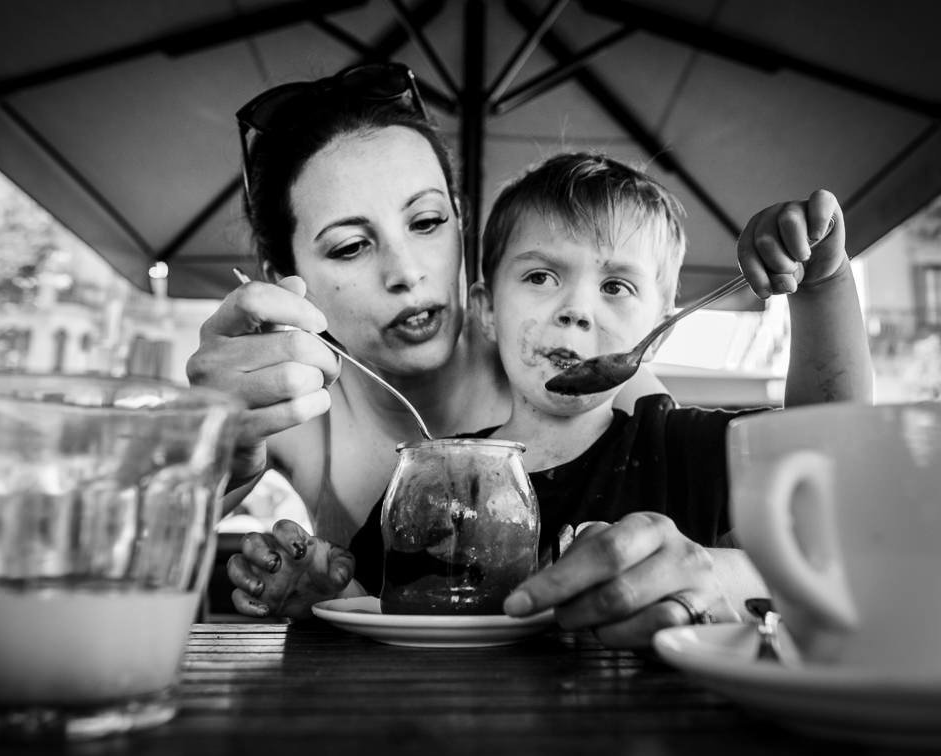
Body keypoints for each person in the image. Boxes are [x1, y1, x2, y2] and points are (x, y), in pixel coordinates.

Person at [188, 62, 872, 646]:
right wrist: (214, 446)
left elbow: (830, 473)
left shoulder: (632, 409)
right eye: (348, 246)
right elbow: (361, 599)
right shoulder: (292, 404)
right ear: (287, 277)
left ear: (460, 220)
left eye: (427, 222)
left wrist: (821, 286)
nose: (406, 272)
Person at [339, 152, 871, 620]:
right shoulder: (440, 475)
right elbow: (362, 594)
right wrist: (326, 583)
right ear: (487, 311)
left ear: (657, 330)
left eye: (616, 286)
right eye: (541, 277)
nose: (575, 310)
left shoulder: (679, 448)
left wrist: (822, 285)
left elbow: (830, 443)